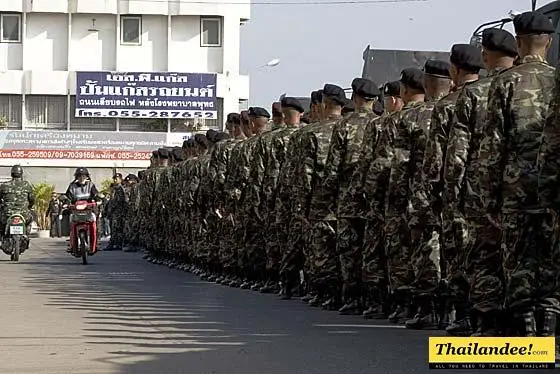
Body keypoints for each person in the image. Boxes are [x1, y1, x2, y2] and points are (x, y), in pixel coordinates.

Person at [65, 167, 100, 253]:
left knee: (94, 221)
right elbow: (67, 197)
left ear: (87, 177)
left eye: (83, 176)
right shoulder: (72, 186)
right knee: (71, 222)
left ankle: (95, 244)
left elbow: (96, 195)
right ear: (76, 177)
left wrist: (98, 200)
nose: (81, 178)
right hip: (76, 211)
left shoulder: (91, 185)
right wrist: (66, 204)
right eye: (79, 176)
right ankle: (72, 244)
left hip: (88, 210)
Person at [0, 165, 35, 247]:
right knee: (30, 219)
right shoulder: (26, 185)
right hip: (24, 214)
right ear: (21, 174)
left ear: (12, 174)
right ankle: (26, 234)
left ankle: (2, 237)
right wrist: (29, 207)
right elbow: (32, 199)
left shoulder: (4, 185)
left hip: (7, 214)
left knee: (1, 223)